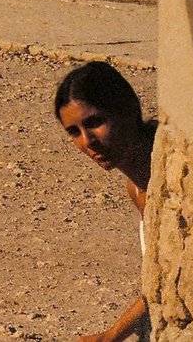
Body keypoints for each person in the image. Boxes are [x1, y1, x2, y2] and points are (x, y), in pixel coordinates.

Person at [53, 61, 157, 342]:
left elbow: (173, 281)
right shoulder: (136, 187)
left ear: (129, 110)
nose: (87, 141)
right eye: (74, 132)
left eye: (95, 123)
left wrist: (111, 336)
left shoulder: (169, 179)